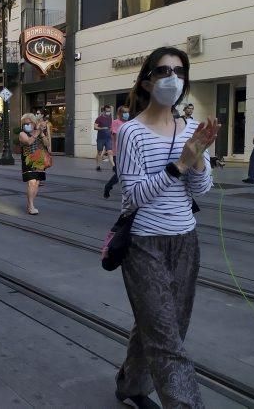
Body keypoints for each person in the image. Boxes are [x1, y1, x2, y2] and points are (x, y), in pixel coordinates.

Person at [115, 47, 220, 408]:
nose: (171, 77)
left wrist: (199, 162)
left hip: (185, 240)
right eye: (162, 71)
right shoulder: (131, 133)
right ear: (147, 80)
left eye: (178, 70)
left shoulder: (192, 127)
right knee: (166, 339)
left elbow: (200, 190)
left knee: (165, 325)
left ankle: (130, 383)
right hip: (144, 243)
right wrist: (179, 164)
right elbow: (132, 198)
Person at [19, 114, 50, 215]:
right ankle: (31, 205)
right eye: (24, 124)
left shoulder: (39, 133)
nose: (26, 125)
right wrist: (37, 132)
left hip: (40, 161)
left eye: (28, 123)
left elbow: (47, 144)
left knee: (36, 183)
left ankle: (30, 203)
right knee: (31, 182)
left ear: (33, 123)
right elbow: (28, 142)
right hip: (28, 161)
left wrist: (42, 134)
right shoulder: (22, 134)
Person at [104, 105, 131, 199]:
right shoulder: (115, 122)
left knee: (124, 173)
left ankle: (128, 193)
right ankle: (108, 186)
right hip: (118, 152)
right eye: (124, 112)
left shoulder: (129, 123)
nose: (126, 114)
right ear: (120, 113)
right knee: (120, 174)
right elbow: (115, 135)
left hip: (128, 152)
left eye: (127, 112)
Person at [94, 105, 114, 171]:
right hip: (100, 138)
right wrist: (102, 128)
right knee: (99, 152)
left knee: (110, 152)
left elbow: (111, 127)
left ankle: (114, 166)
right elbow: (95, 127)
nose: (108, 112)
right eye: (107, 111)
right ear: (103, 111)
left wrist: (112, 131)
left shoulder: (110, 118)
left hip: (108, 138)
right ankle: (98, 166)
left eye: (109, 111)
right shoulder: (99, 118)